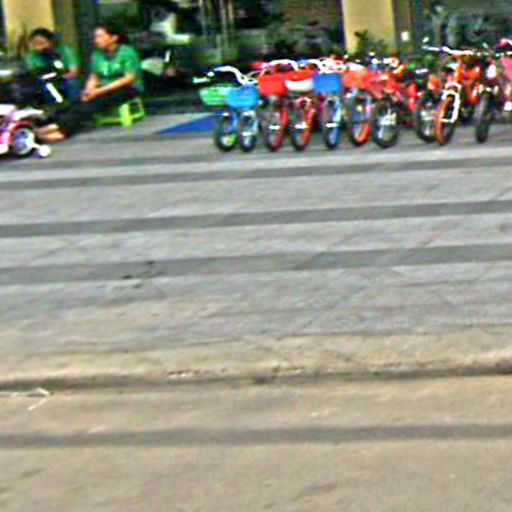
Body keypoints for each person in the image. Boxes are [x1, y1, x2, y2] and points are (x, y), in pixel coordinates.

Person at [38, 24, 144, 142]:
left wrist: (98, 92)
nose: (96, 40)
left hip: (127, 87)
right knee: (76, 101)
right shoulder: (97, 54)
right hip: (102, 87)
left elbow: (129, 78)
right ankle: (52, 125)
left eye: (100, 36)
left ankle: (62, 131)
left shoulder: (127, 52)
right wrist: (89, 90)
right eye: (95, 37)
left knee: (93, 103)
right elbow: (94, 76)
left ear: (114, 38)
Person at [26, 28, 81, 100]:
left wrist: (59, 77)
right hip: (44, 81)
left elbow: (74, 72)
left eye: (42, 43)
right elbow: (32, 74)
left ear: (51, 41)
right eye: (35, 44)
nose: (39, 47)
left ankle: (74, 103)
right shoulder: (32, 56)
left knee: (72, 83)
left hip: (64, 79)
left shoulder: (65, 50)